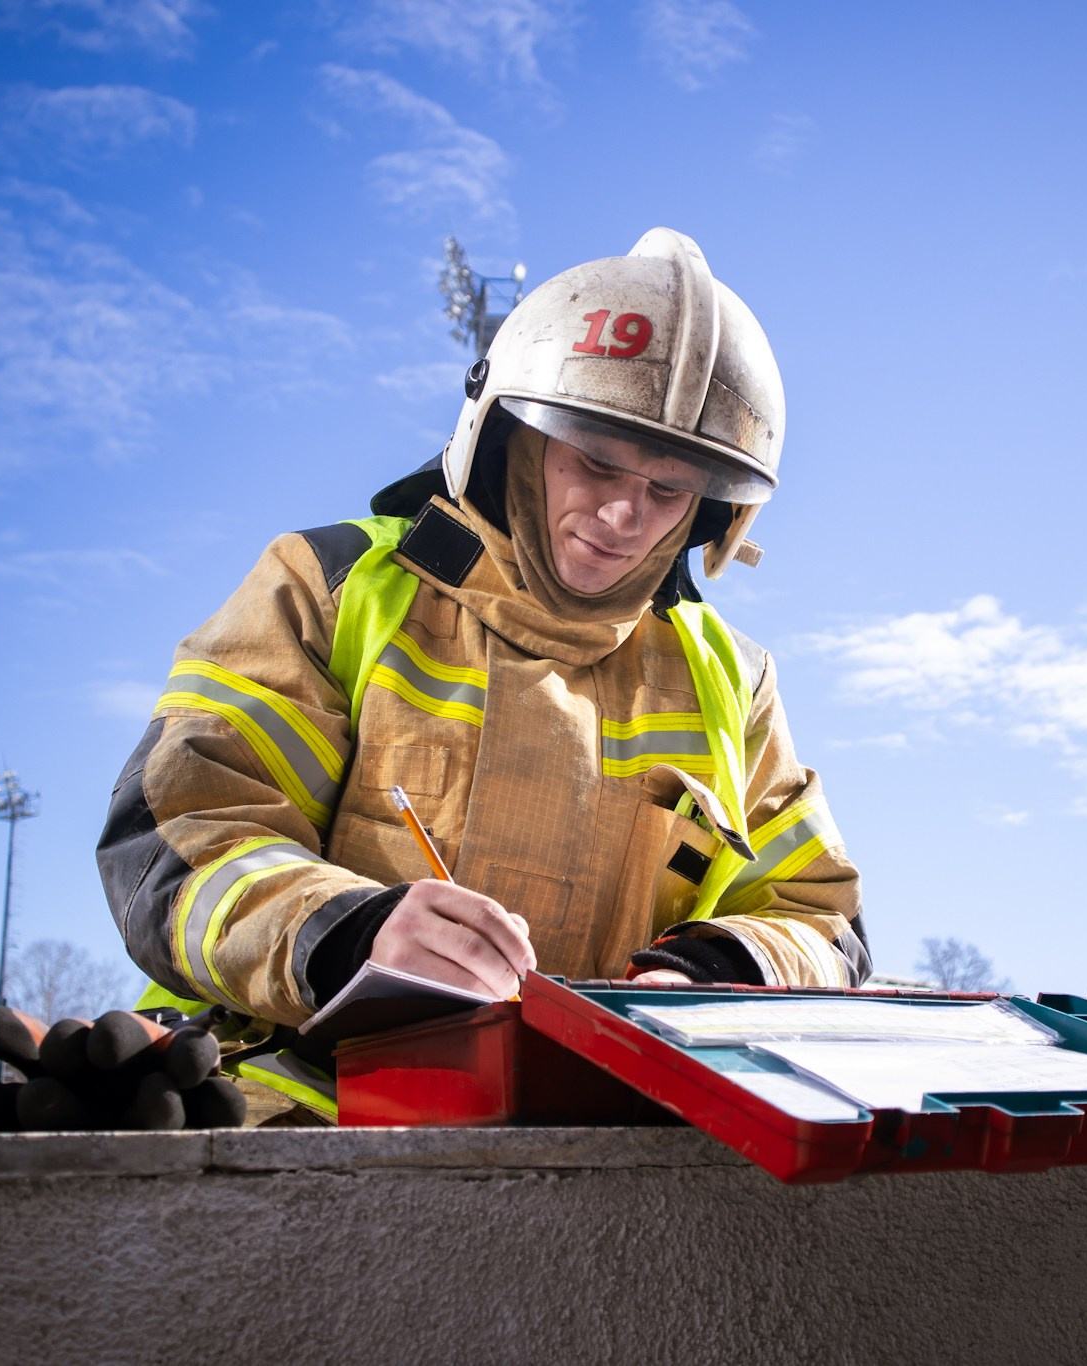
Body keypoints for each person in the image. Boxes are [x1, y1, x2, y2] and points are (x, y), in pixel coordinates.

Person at [96, 228, 867, 1121]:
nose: (623, 514)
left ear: (714, 512)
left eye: (668, 491)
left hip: (602, 1156)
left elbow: (826, 921)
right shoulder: (334, 587)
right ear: (511, 436)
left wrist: (712, 972)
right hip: (309, 1133)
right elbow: (183, 830)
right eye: (598, 463)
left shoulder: (730, 678)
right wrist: (353, 934)